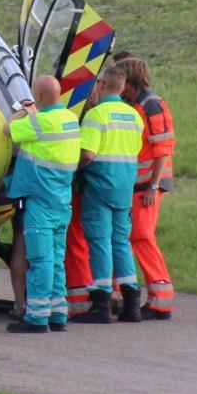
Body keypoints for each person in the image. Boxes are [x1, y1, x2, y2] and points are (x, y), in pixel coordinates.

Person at [4, 75, 81, 334]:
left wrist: (23, 110)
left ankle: (36, 318)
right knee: (58, 260)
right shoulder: (70, 119)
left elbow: (6, 130)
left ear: (38, 95)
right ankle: (58, 314)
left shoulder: (37, 122)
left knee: (40, 261)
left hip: (40, 203)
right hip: (62, 201)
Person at [74, 67, 144, 324]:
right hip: (125, 186)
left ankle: (101, 306)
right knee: (121, 242)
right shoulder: (134, 116)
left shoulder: (96, 115)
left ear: (101, 84)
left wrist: (72, 168)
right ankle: (132, 306)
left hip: (101, 185)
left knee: (100, 242)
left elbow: (88, 154)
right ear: (123, 86)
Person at [114, 57, 177, 320]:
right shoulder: (139, 105)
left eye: (123, 82)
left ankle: (161, 302)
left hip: (148, 186)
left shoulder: (151, 105)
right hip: (139, 184)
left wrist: (153, 185)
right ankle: (128, 293)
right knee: (131, 237)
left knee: (141, 237)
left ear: (131, 81)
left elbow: (163, 148)